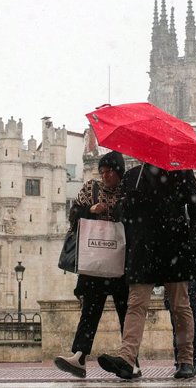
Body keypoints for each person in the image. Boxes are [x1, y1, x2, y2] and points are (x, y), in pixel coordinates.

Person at [98, 164, 196, 380]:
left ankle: (186, 361)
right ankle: (127, 359)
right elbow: (122, 214)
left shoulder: (182, 173)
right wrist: (124, 203)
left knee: (179, 304)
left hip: (175, 244)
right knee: (136, 304)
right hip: (143, 249)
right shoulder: (133, 176)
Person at [54, 151, 136, 378]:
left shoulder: (129, 190)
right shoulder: (92, 189)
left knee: (125, 312)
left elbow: (134, 220)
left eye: (109, 171)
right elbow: (73, 216)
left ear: (119, 171)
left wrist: (119, 209)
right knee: (90, 310)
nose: (105, 175)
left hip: (121, 262)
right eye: (102, 171)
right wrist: (90, 210)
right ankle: (79, 357)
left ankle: (132, 361)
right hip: (95, 262)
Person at [165, 254, 196, 376]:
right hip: (181, 299)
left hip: (192, 299)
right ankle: (182, 363)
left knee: (193, 332)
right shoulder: (188, 257)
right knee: (179, 333)